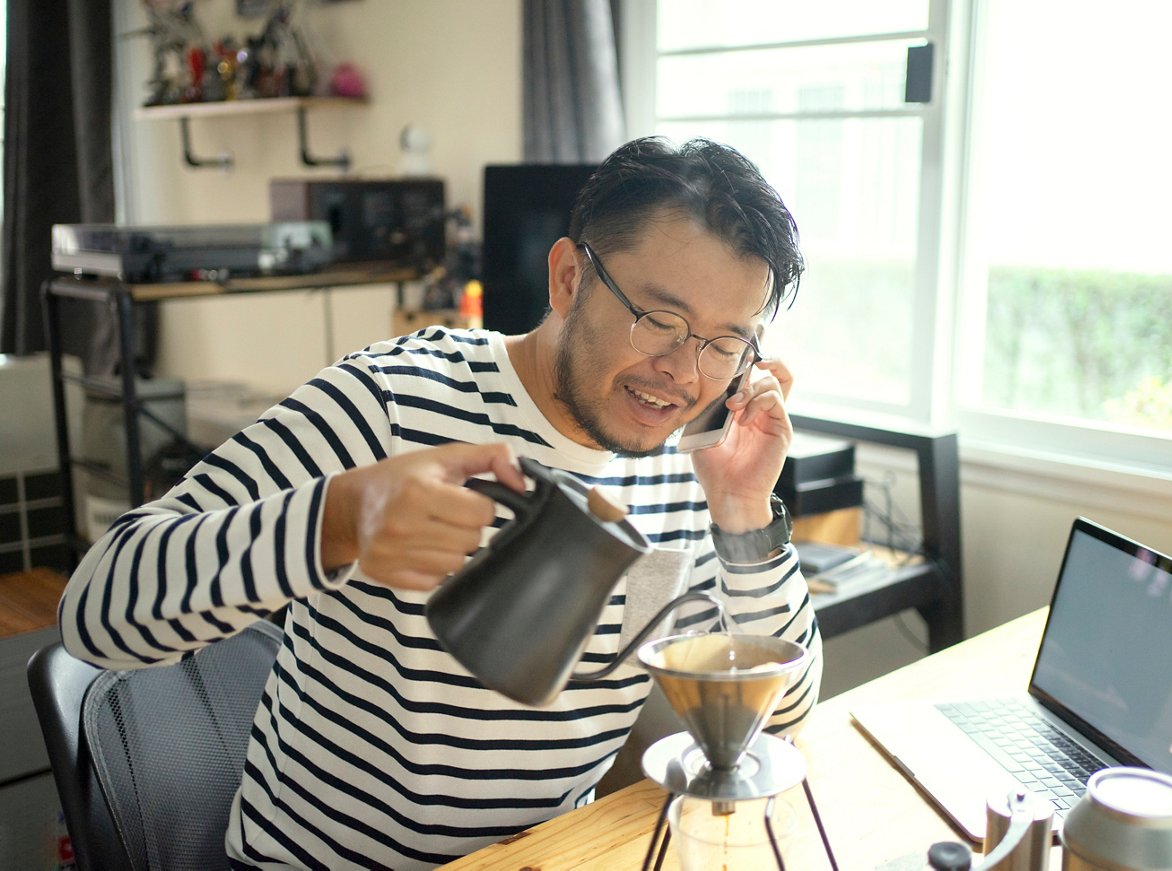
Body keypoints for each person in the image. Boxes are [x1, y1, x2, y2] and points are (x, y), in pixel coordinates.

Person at [60, 136, 823, 869]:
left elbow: (774, 717)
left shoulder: (679, 475)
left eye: (725, 343)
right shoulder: (394, 402)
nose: (684, 373)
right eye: (660, 319)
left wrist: (746, 512)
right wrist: (338, 519)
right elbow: (95, 608)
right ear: (568, 278)